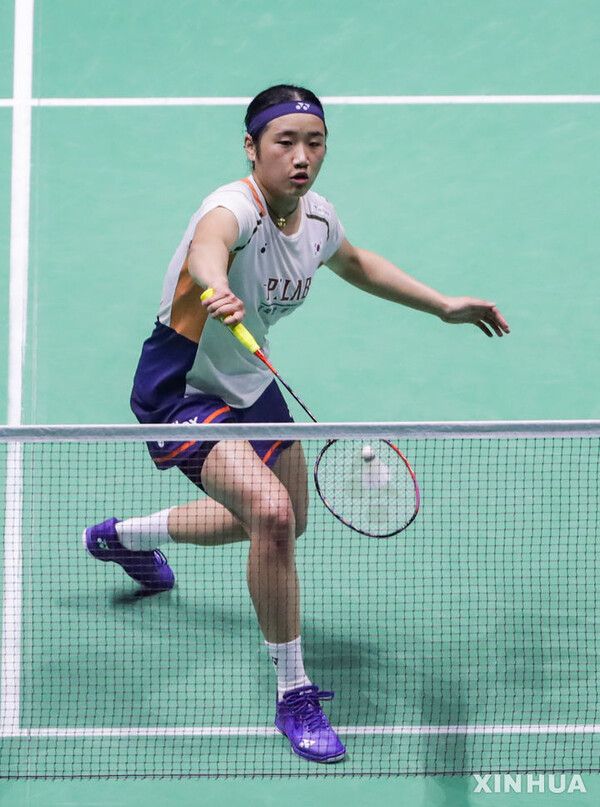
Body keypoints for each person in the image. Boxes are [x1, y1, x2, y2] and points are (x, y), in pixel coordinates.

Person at [83, 84, 510, 764]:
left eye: (315, 142)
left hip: (252, 382)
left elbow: (356, 262)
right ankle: (294, 693)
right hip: (183, 385)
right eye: (285, 142)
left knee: (284, 520)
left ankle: (122, 537)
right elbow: (207, 246)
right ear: (251, 148)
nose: (302, 156)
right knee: (273, 515)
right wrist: (214, 283)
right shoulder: (234, 208)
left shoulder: (315, 218)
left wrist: (442, 305)